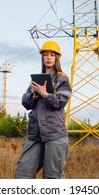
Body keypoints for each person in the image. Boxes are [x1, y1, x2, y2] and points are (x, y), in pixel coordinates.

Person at [15, 40, 72, 179]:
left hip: (54, 134)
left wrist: (46, 94)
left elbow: (61, 101)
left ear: (56, 58)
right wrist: (35, 94)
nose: (48, 57)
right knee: (22, 174)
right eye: (45, 54)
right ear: (42, 57)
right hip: (36, 134)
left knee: (52, 177)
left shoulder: (62, 78)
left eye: (52, 55)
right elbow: (25, 102)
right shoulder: (37, 79)